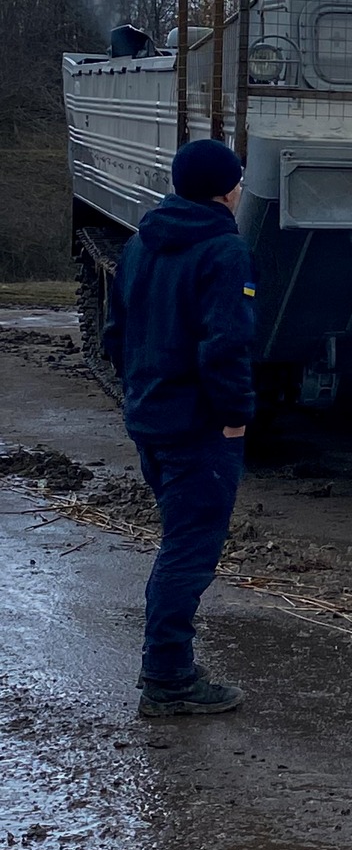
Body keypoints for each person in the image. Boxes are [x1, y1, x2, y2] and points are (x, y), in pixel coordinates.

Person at [101, 138, 257, 717]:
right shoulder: (224, 250)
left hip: (150, 416)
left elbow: (116, 332)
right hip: (199, 427)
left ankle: (169, 669)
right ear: (227, 187)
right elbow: (227, 343)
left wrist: (140, 393)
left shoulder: (140, 242)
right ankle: (167, 676)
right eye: (237, 181)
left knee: (178, 541)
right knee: (187, 551)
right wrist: (235, 416)